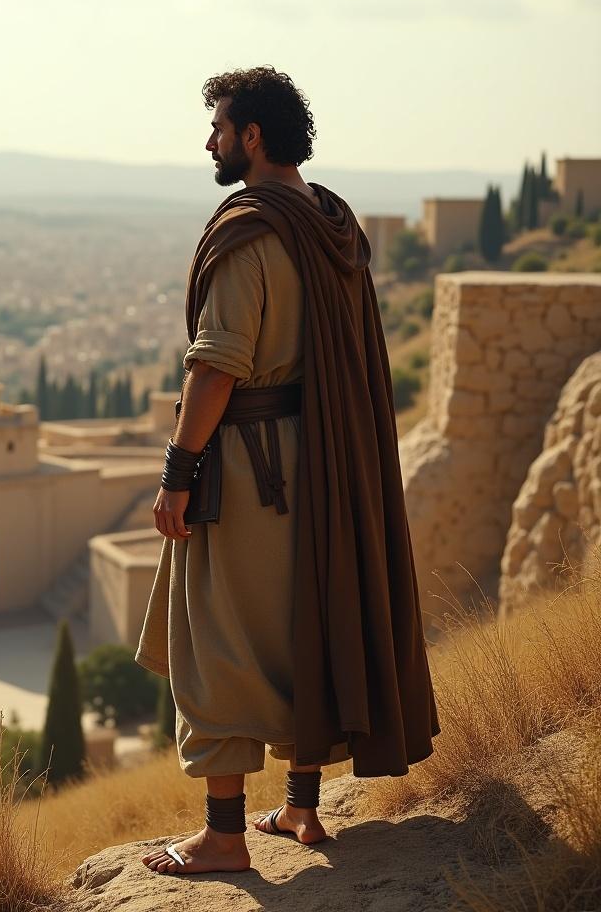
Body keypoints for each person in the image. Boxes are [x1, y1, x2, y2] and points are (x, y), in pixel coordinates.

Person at [136, 66, 440, 875]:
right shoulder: (329, 220)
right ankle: (301, 809)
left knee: (214, 643)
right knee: (312, 617)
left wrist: (178, 470)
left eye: (219, 128)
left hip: (248, 466)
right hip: (329, 457)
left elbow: (217, 364)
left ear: (253, 137)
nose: (210, 141)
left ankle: (224, 836)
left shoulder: (251, 230)